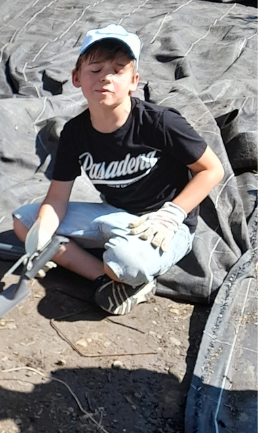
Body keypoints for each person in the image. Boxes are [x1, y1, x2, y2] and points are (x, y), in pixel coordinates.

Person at [14, 24, 225, 315]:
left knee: (126, 260)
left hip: (161, 227)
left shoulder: (159, 122)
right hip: (113, 215)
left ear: (134, 81)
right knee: (24, 222)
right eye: (95, 69)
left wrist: (172, 214)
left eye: (118, 70)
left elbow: (212, 170)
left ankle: (124, 272)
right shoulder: (75, 133)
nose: (105, 78)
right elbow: (57, 198)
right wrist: (42, 233)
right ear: (77, 78)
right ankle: (107, 281)